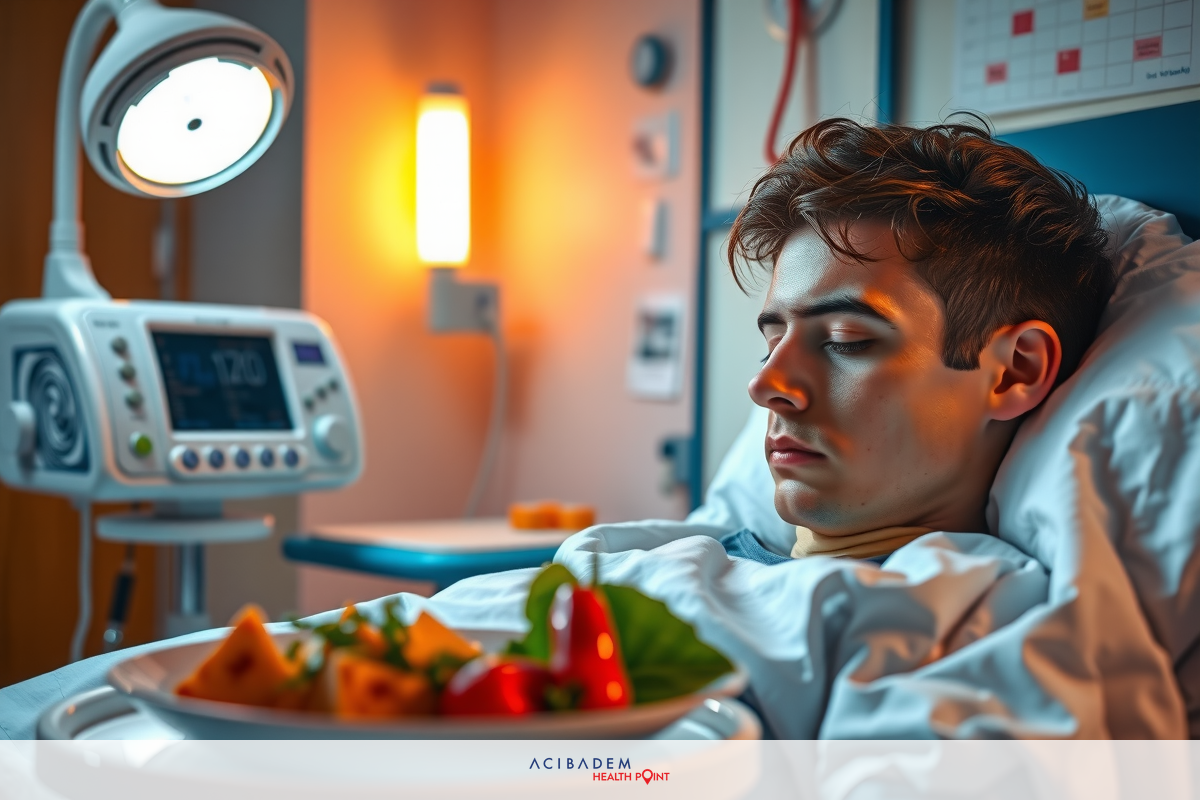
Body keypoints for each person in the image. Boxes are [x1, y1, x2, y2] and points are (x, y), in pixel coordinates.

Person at [716, 116, 1115, 566]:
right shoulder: (691, 565)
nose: (764, 385)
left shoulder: (963, 609)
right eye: (773, 345)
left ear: (1013, 371)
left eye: (845, 341)